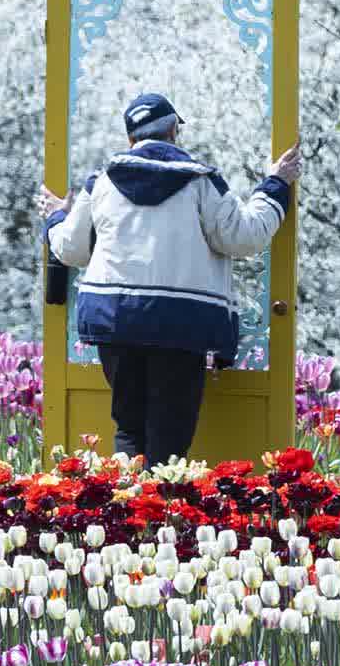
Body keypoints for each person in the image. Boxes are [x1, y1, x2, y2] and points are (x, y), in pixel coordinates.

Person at [42, 91, 299, 465]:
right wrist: (274, 184)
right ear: (174, 131)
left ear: (131, 138)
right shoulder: (199, 180)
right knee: (170, 437)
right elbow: (245, 237)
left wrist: (55, 217)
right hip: (181, 323)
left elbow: (71, 249)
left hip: (117, 321)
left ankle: (129, 514)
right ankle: (163, 515)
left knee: (129, 429)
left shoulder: (102, 181)